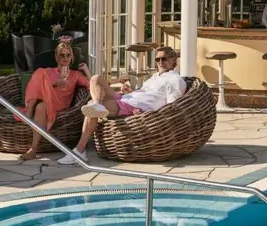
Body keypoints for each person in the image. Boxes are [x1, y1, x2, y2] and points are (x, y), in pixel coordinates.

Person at [58, 45, 187, 165]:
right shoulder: (154, 77)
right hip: (127, 98)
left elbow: (171, 107)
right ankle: (98, 105)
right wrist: (132, 91)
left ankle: (79, 151)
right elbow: (147, 93)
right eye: (157, 59)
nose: (160, 62)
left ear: (173, 60)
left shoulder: (175, 80)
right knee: (96, 79)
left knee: (90, 105)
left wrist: (148, 114)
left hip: (134, 107)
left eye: (164, 59)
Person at [19, 37, 90, 161]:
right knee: (40, 74)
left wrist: (86, 70)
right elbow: (41, 88)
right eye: (62, 55)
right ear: (57, 57)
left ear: (71, 57)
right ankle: (33, 149)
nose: (65, 58)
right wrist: (54, 85)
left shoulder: (75, 74)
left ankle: (29, 112)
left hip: (60, 105)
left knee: (40, 75)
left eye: (68, 55)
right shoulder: (48, 72)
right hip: (45, 101)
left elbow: (91, 84)